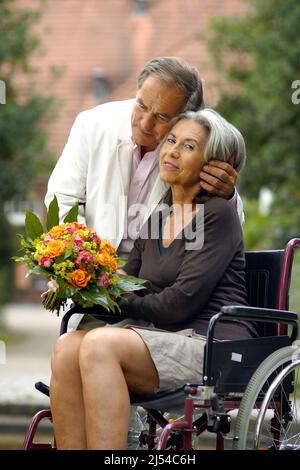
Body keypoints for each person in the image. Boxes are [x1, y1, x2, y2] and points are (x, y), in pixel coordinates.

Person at [49, 108, 257, 450]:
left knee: (101, 344)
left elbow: (179, 303)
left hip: (210, 343)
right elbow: (125, 284)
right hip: (160, 339)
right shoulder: (159, 215)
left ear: (214, 165)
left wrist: (120, 296)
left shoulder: (218, 215)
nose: (172, 151)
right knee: (68, 346)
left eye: (189, 147)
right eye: (171, 140)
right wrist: (79, 285)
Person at [45, 57, 241, 330]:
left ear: (186, 117)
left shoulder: (196, 146)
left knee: (95, 349)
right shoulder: (92, 125)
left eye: (162, 117)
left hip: (158, 292)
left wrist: (228, 193)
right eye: (141, 105)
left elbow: (224, 223)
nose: (145, 123)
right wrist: (74, 264)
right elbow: (63, 201)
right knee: (69, 349)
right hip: (103, 284)